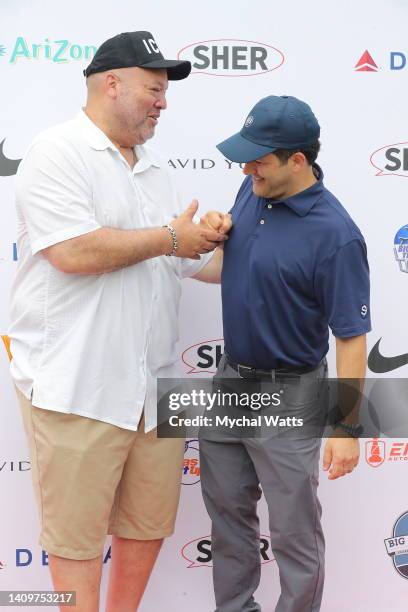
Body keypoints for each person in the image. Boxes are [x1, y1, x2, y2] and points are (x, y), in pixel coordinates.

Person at [8, 31, 227, 612]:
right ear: (112, 83)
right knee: (76, 537)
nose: (163, 102)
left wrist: (258, 241)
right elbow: (75, 253)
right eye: (154, 88)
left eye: (164, 92)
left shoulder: (154, 169)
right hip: (78, 383)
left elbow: (196, 260)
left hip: (153, 387)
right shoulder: (56, 151)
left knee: (147, 522)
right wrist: (171, 238)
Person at [196, 95, 371, 611]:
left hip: (290, 392)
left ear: (299, 160)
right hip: (229, 383)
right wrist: (203, 240)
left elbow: (351, 337)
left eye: (260, 159)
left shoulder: (336, 235)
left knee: (295, 536)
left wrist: (344, 428)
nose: (248, 167)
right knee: (228, 519)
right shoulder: (251, 192)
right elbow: (226, 264)